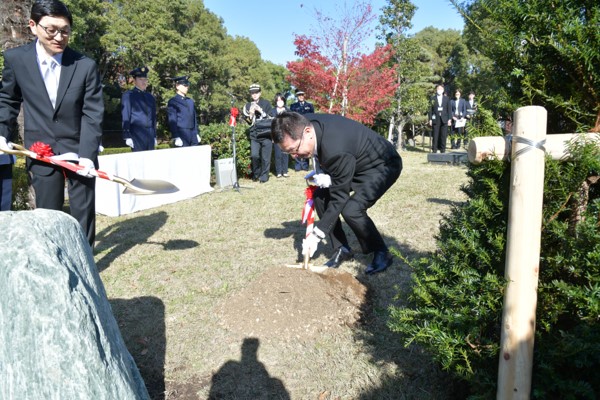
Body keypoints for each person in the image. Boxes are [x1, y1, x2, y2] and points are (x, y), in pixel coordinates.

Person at [0, 0, 104, 247]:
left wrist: (88, 155)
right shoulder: (16, 59)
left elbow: (92, 114)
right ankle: (56, 260)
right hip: (40, 150)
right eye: (52, 30)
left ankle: (85, 259)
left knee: (83, 212)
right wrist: (2, 132)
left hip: (79, 151)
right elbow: (7, 100)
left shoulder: (85, 65)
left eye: (65, 30)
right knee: (48, 214)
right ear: (33, 26)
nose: (59, 37)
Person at [271, 112, 402, 275]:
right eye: (288, 153)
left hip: (382, 164)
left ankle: (382, 252)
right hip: (355, 161)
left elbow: (340, 197)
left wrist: (318, 233)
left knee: (352, 209)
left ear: (307, 132)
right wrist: (328, 179)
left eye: (295, 150)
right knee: (320, 197)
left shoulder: (335, 150)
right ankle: (342, 248)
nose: (295, 156)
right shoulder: (299, 123)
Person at [242, 83, 273, 183]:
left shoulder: (266, 103)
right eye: (252, 93)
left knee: (265, 157)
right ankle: (256, 174)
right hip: (254, 134)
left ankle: (264, 176)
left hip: (266, 134)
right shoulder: (247, 105)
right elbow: (248, 122)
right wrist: (250, 114)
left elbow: (271, 118)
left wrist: (261, 111)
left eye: (256, 92)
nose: (254, 94)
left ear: (260, 93)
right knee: (254, 155)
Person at [121, 66, 156, 152]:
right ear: (134, 80)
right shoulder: (129, 95)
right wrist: (127, 135)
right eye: (141, 79)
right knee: (138, 162)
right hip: (136, 133)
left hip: (150, 133)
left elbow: (153, 118)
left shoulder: (150, 97)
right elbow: (126, 115)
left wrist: (154, 135)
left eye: (145, 79)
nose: (144, 82)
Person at [167, 76, 200, 147]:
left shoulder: (190, 101)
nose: (187, 87)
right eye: (184, 85)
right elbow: (172, 120)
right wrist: (176, 136)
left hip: (193, 133)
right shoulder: (173, 101)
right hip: (181, 133)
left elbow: (194, 118)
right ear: (177, 86)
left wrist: (197, 133)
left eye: (187, 85)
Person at [289, 89, 314, 171]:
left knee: (306, 146)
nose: (301, 97)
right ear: (297, 96)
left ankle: (305, 165)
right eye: (299, 95)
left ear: (304, 96)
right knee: (297, 146)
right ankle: (298, 165)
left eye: (302, 95)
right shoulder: (293, 106)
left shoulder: (309, 106)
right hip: (297, 128)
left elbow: (312, 117)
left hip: (306, 128)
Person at [269, 93, 290, 178]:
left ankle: (285, 171)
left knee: (285, 153)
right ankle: (278, 172)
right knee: (278, 154)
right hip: (276, 134)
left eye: (281, 100)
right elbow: (271, 125)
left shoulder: (288, 111)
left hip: (286, 135)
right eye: (278, 100)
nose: (279, 102)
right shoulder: (272, 111)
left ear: (284, 101)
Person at [427, 84, 452, 153]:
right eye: (438, 89)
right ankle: (434, 149)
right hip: (435, 119)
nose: (439, 90)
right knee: (435, 135)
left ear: (443, 90)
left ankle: (442, 149)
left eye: (441, 89)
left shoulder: (447, 99)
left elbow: (449, 110)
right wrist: (430, 119)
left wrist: (450, 119)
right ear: (436, 90)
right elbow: (430, 110)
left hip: (445, 119)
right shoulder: (432, 98)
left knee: (443, 135)